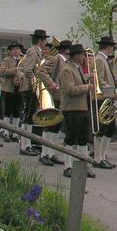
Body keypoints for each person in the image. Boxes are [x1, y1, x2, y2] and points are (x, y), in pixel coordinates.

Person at [57, 43, 97, 179]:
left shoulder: (76, 68)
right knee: (71, 138)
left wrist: (86, 79)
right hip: (72, 108)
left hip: (82, 107)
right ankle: (67, 166)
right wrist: (87, 87)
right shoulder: (67, 69)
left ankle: (82, 166)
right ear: (76, 56)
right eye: (82, 55)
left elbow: (76, 83)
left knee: (83, 139)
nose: (84, 57)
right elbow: (70, 89)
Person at [37, 39, 71, 167]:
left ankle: (52, 153)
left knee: (56, 127)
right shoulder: (55, 59)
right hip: (54, 96)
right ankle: (44, 154)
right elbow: (40, 71)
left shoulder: (67, 62)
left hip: (62, 97)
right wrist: (51, 83)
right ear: (66, 50)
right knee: (50, 125)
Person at [92, 35, 117, 170]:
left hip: (107, 98)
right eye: (112, 48)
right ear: (109, 47)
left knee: (110, 129)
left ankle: (102, 156)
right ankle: (98, 157)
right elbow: (100, 81)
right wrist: (112, 92)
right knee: (102, 129)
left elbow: (111, 78)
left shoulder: (104, 59)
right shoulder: (99, 59)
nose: (112, 50)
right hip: (102, 98)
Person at [16, 29, 48, 156]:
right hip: (30, 88)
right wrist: (36, 81)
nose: (46, 42)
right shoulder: (34, 52)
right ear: (40, 41)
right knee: (27, 118)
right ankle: (24, 146)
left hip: (30, 87)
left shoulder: (35, 51)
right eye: (45, 40)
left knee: (28, 118)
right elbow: (27, 69)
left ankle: (26, 145)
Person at [0, 42, 23, 142]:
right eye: (14, 49)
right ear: (10, 51)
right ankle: (6, 132)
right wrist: (16, 70)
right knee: (6, 112)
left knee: (17, 112)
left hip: (19, 89)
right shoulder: (6, 60)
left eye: (17, 49)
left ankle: (15, 134)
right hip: (8, 89)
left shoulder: (23, 60)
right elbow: (2, 72)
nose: (16, 51)